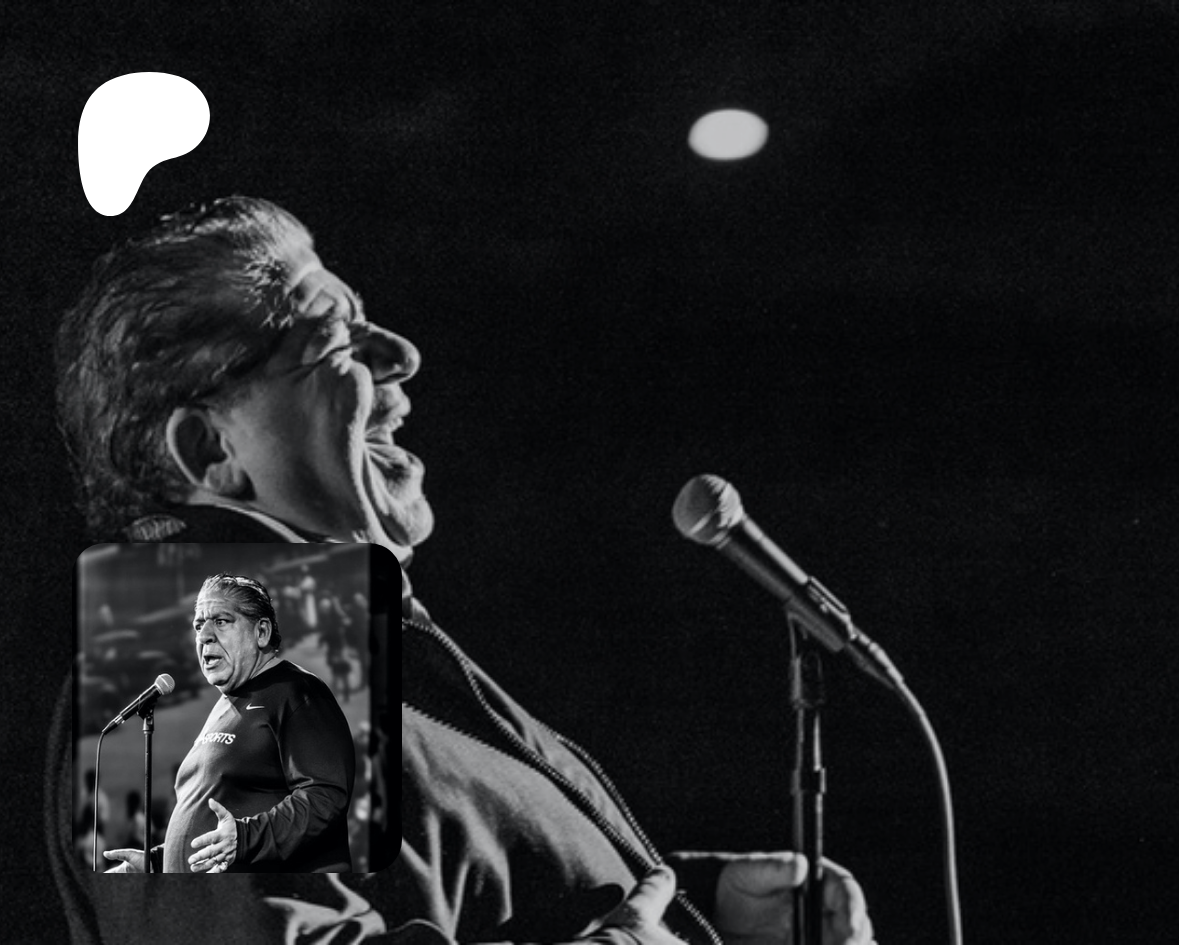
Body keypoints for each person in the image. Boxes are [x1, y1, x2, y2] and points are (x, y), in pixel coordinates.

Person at [51, 196, 874, 945]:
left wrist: (689, 906)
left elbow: (441, 891)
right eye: (336, 340)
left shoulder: (299, 642)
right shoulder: (182, 652)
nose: (401, 356)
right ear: (211, 449)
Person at [100, 573, 356, 874]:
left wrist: (245, 838)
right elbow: (219, 823)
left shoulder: (298, 692)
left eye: (221, 621)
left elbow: (325, 797)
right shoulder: (227, 703)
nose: (204, 636)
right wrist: (158, 862)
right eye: (199, 625)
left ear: (261, 632)